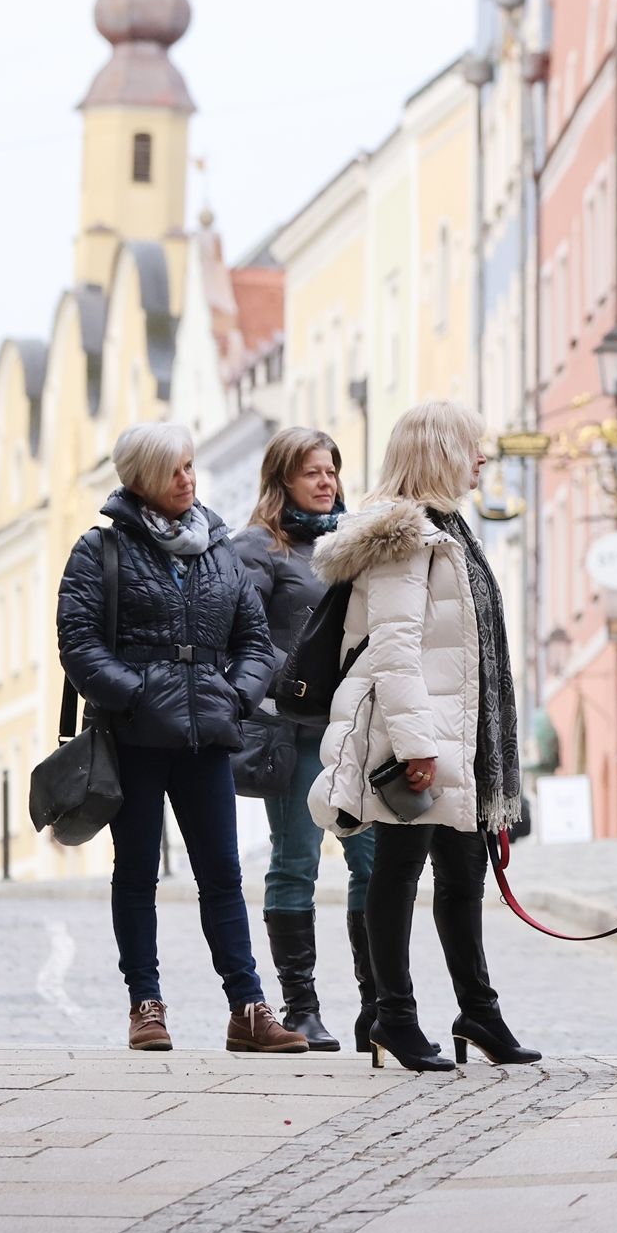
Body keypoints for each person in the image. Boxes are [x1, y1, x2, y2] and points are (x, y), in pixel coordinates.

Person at [56, 421, 307, 1054]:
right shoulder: (100, 550)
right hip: (134, 741)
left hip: (207, 741)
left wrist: (237, 695)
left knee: (222, 874)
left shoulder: (218, 548)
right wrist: (140, 695)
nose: (188, 479)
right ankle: (146, 1006)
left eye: (191, 467)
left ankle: (248, 1010)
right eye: (175, 470)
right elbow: (80, 646)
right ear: (141, 477)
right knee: (137, 874)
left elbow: (255, 641)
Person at [307, 401, 538, 1072]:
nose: (482, 458)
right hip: (422, 738)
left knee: (464, 877)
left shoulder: (451, 528)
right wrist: (416, 747)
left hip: (460, 739)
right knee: (400, 873)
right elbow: (394, 648)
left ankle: (479, 1011)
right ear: (439, 452)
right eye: (472, 446)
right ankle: (393, 1016)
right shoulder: (403, 534)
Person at [232, 427, 377, 1052]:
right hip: (291, 732)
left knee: (372, 864)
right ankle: (301, 1008)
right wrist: (271, 690)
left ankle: (378, 1002)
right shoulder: (257, 548)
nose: (327, 482)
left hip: (357, 729)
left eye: (332, 471)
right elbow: (242, 636)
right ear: (282, 480)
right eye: (312, 472)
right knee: (295, 862)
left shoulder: (356, 544)